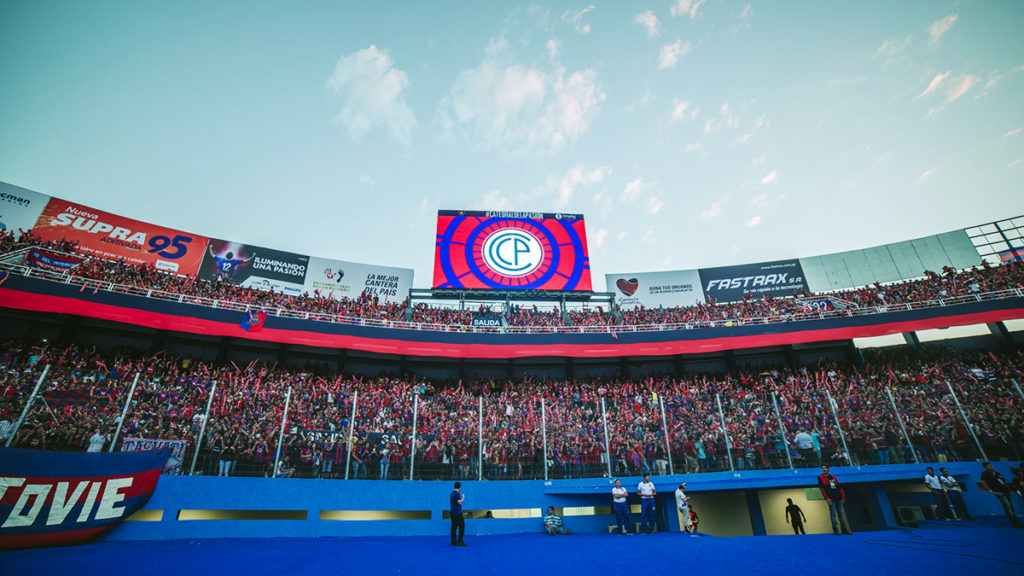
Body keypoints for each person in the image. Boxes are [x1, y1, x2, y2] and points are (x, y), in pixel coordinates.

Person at [980, 462, 1023, 528]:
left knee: (1011, 507)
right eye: (988, 466)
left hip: (1006, 491)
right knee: (1007, 507)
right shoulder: (984, 474)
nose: (991, 467)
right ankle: (1015, 523)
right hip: (999, 492)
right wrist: (990, 491)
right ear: (985, 467)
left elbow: (1004, 482)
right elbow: (983, 482)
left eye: (991, 465)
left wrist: (1009, 491)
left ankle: (1016, 521)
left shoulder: (997, 473)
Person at [817, 465, 852, 535]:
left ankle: (844, 529)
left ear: (828, 469)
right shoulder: (820, 477)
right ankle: (835, 529)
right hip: (831, 498)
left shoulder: (833, 477)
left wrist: (843, 497)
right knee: (833, 514)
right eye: (823, 468)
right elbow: (822, 489)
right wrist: (827, 498)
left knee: (841, 514)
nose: (824, 469)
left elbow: (839, 487)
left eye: (825, 468)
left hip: (839, 498)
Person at [450, 481, 467, 546]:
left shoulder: (451, 493)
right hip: (457, 513)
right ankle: (460, 540)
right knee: (462, 526)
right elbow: (460, 502)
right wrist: (463, 497)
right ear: (459, 487)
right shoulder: (456, 494)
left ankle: (453, 541)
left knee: (454, 527)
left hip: (452, 513)